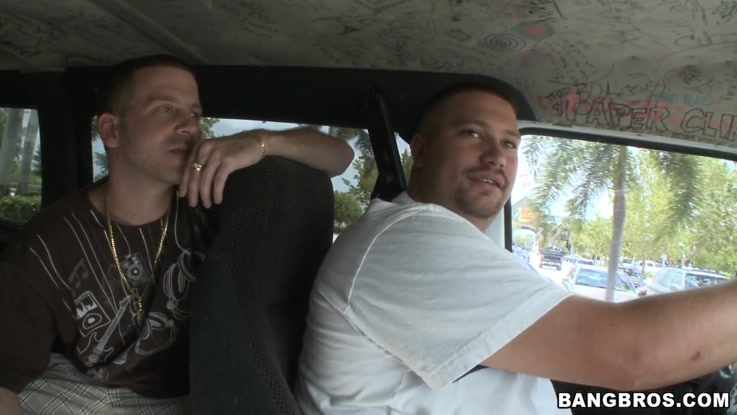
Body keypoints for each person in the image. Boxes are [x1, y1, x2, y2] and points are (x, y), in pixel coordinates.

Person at [295, 82, 737, 414]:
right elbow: (633, 356)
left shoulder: (440, 241)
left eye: (509, 143)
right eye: (473, 134)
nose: (496, 156)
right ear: (423, 152)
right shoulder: (408, 243)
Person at [0, 54, 354, 415]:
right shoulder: (49, 242)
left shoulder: (214, 192)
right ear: (111, 131)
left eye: (195, 114)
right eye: (165, 110)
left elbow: (340, 156)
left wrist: (262, 142)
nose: (189, 126)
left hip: (201, 394)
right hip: (91, 391)